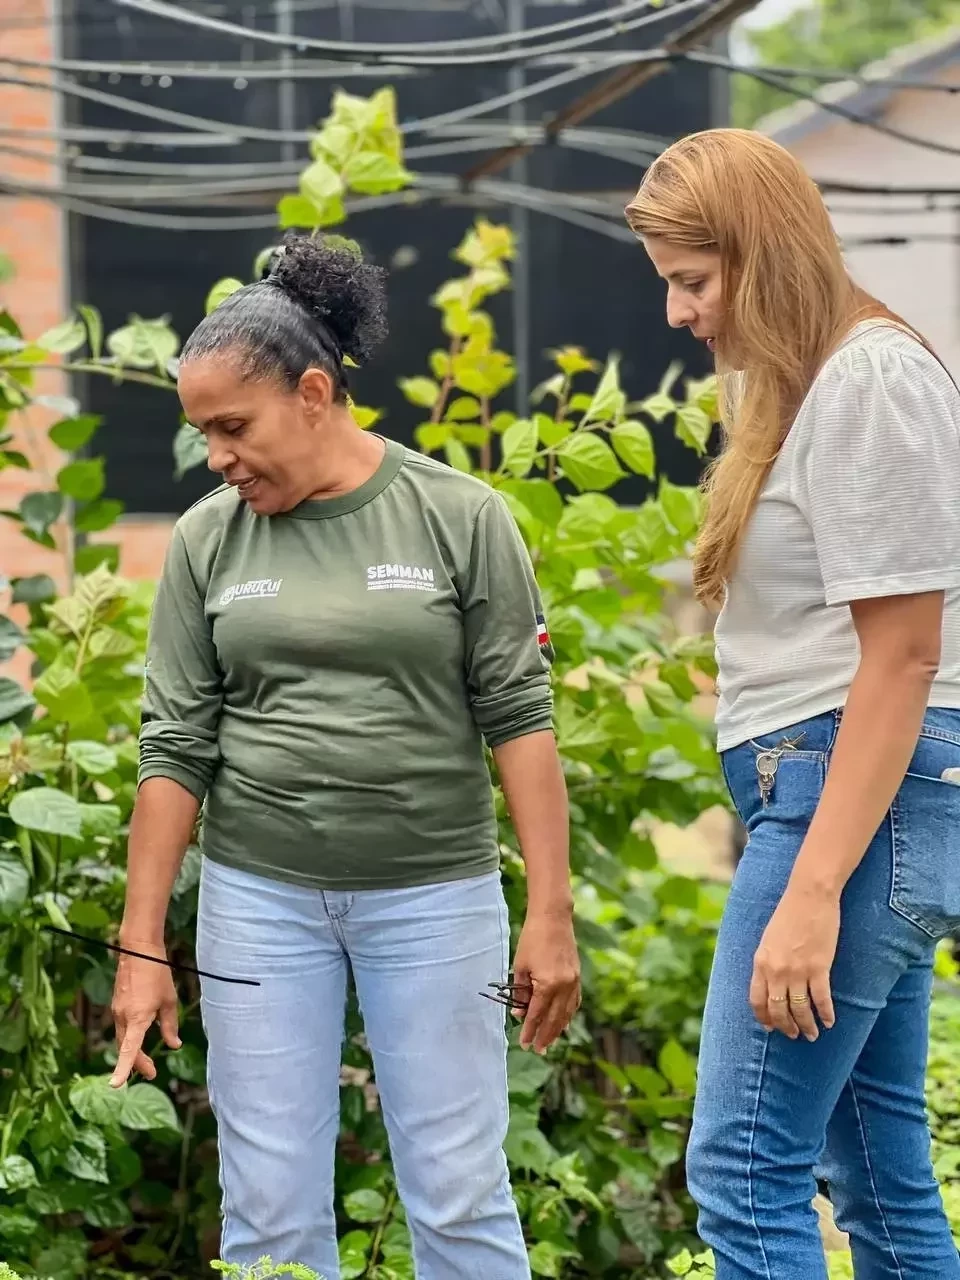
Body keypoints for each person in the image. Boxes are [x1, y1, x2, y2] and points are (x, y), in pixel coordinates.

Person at [109, 233, 581, 1280]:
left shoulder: (461, 516)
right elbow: (174, 744)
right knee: (268, 1202)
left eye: (234, 426)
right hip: (259, 897)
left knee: (458, 1188)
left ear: (314, 392)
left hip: (437, 894)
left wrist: (550, 910)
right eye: (203, 434)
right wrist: (142, 945)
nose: (218, 455)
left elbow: (519, 715)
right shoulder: (205, 540)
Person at [625, 129, 960, 1279]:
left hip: (843, 802)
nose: (677, 311)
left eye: (693, 280)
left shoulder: (872, 379)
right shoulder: (803, 386)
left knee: (746, 1167)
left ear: (761, 255)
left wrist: (812, 887)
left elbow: (907, 655)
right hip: (838, 793)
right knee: (875, 1164)